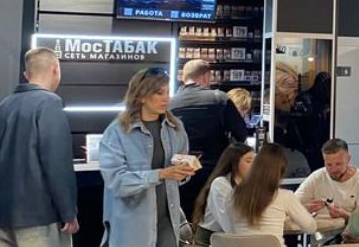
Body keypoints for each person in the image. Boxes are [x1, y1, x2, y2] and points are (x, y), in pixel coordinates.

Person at [0, 47, 78, 247]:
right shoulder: (49, 103)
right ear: (56, 69)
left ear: (26, 74)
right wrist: (68, 212)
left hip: (4, 216)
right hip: (40, 217)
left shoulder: (3, 106)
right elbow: (57, 163)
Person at [99, 67, 197, 247]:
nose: (166, 98)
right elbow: (117, 182)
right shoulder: (117, 132)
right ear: (141, 96)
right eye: (159, 93)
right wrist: (160, 174)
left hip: (168, 222)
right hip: (132, 227)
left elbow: (179, 173)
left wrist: (183, 172)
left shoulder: (176, 128)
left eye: (167, 92)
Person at [169, 59, 249, 211]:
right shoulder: (219, 98)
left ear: (184, 77)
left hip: (181, 170)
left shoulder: (170, 103)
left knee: (185, 214)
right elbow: (241, 133)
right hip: (214, 169)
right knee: (212, 214)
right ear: (206, 77)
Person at [219, 143, 317, 239]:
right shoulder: (285, 197)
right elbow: (310, 227)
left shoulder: (233, 195)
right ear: (281, 171)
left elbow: (230, 226)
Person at [294, 138, 359, 226]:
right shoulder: (317, 176)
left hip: (347, 231)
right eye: (329, 165)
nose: (333, 170)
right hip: (317, 231)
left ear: (348, 159)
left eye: (338, 164)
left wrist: (344, 214)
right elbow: (290, 205)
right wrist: (304, 209)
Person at [190, 144, 255, 246]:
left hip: (236, 237)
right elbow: (227, 221)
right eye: (248, 161)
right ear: (234, 163)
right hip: (210, 240)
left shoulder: (249, 185)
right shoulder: (220, 184)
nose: (254, 166)